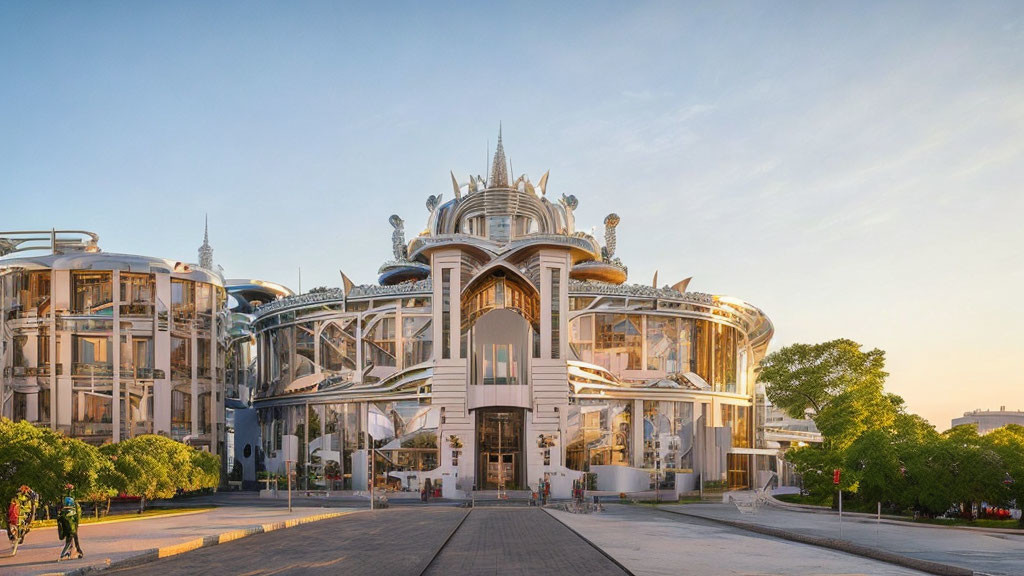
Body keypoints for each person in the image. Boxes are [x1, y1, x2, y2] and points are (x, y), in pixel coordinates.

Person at [57, 484, 84, 561]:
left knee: (71, 538)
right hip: (72, 526)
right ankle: (65, 554)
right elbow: (77, 517)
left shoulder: (64, 510)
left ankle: (75, 551)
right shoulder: (73, 507)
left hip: (69, 525)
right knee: (71, 538)